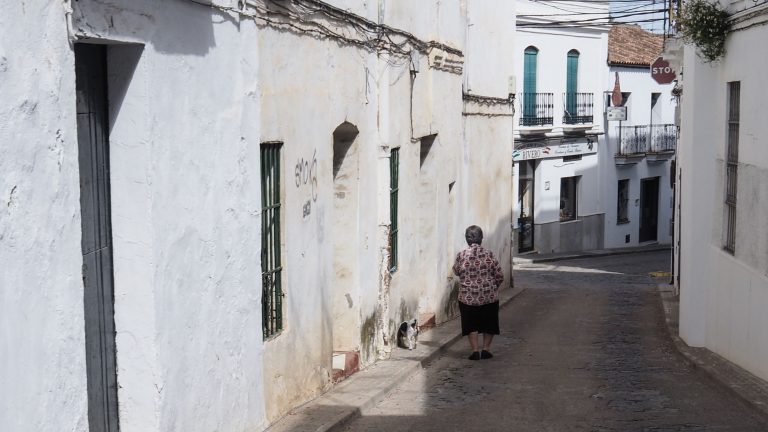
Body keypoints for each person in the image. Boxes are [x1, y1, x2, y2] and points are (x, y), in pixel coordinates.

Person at [452, 225, 504, 360]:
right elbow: (499, 275)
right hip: (489, 296)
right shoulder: (489, 254)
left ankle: (475, 351)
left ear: (467, 239)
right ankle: (486, 349)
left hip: (467, 297)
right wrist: (492, 287)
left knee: (471, 323)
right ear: (481, 238)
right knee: (489, 323)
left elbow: (456, 271)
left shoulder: (461, 255)